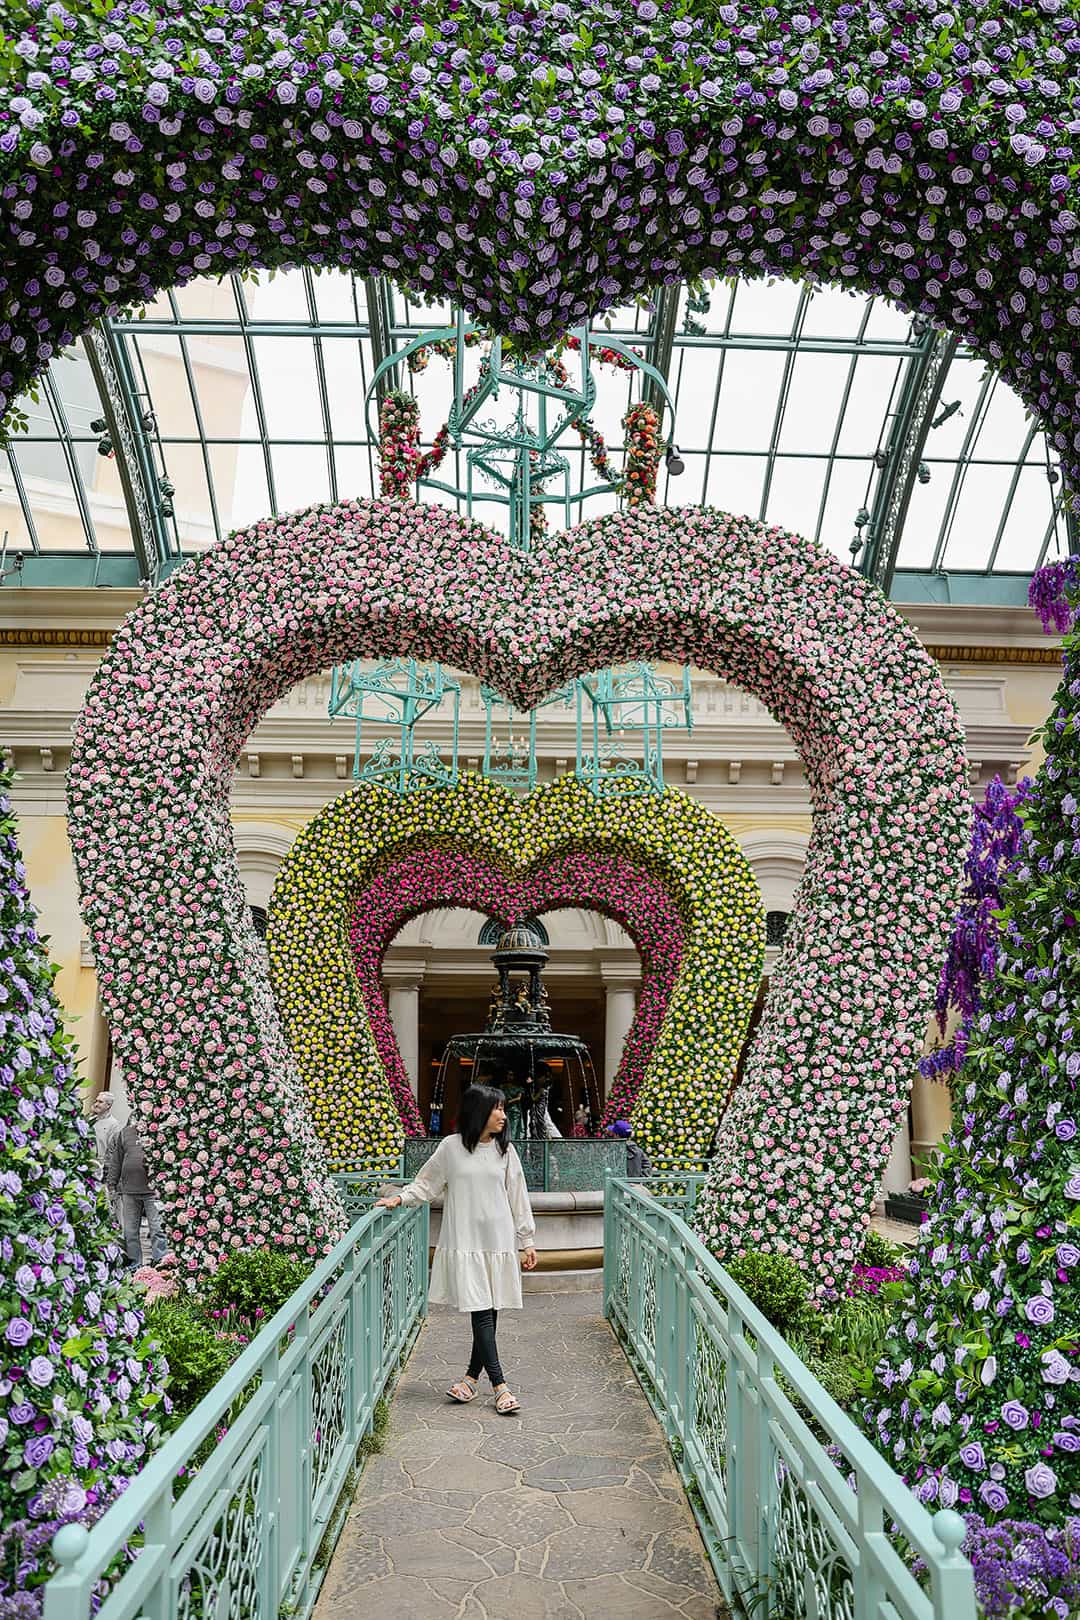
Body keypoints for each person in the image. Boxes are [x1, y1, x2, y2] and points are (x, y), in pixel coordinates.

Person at [375, 1083, 537, 1415]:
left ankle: (469, 1380)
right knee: (481, 1312)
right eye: (498, 1108)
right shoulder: (451, 1148)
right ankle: (500, 1387)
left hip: (497, 1242)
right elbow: (426, 1183)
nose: (503, 1116)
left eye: (504, 1109)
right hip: (466, 1242)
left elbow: (518, 1196)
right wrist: (399, 1198)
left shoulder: (506, 1151)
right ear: (479, 1110)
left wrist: (527, 1239)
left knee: (488, 1314)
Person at [105, 1121, 169, 1269]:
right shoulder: (125, 1133)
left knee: (157, 1229)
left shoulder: (158, 1130)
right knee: (130, 1231)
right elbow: (117, 1160)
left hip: (153, 1191)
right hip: (128, 1190)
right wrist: (112, 1183)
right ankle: (134, 1264)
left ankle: (160, 1262)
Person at [90, 1091, 122, 1219]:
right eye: (96, 1101)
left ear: (108, 1105)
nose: (96, 1103)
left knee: (103, 1203)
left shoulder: (114, 1125)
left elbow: (113, 1151)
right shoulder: (90, 1120)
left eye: (100, 1102)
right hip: (88, 1165)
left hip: (101, 1168)